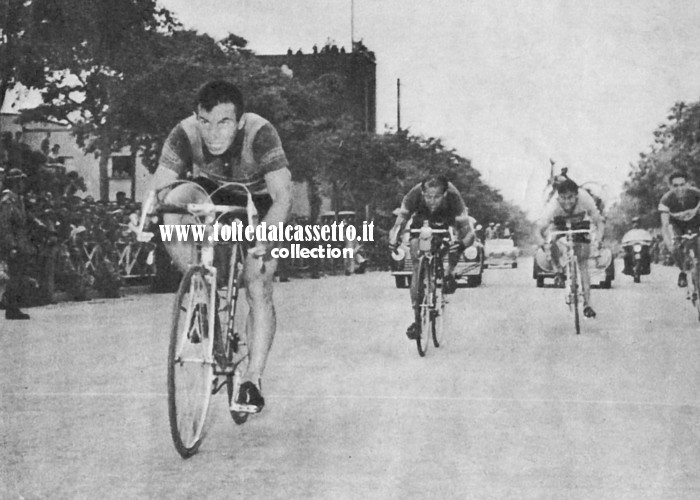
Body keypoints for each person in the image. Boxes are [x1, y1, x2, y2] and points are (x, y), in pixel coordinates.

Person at [144, 80, 292, 414]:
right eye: (205, 122)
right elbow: (161, 184)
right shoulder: (183, 132)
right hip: (209, 192)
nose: (212, 134)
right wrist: (149, 211)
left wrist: (265, 240)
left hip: (258, 201)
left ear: (239, 121)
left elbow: (283, 196)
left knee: (259, 283)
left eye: (223, 122)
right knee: (172, 200)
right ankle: (199, 288)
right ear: (196, 117)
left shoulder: (260, 133)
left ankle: (252, 380)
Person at [388, 176, 475, 340]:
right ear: (422, 193)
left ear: (444, 195)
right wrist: (394, 238)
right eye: (428, 197)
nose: (432, 201)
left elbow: (470, 234)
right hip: (421, 222)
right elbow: (399, 222)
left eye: (436, 197)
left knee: (454, 244)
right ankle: (417, 314)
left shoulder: (454, 199)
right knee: (415, 253)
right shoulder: (413, 196)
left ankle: (449, 273)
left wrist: (462, 244)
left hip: (446, 221)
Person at [536, 178, 605, 318]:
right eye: (563, 198)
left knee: (583, 263)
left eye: (570, 198)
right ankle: (557, 270)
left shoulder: (585, 199)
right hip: (560, 224)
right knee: (552, 242)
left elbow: (599, 222)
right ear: (558, 197)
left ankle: (587, 304)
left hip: (580, 224)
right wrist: (542, 243)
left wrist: (598, 239)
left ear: (577, 196)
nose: (567, 202)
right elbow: (538, 229)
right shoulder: (553, 205)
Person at [0, 169, 33, 319]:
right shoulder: (8, 199)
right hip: (14, 244)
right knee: (14, 276)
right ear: (15, 181)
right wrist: (12, 245)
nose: (23, 184)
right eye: (20, 181)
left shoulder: (18, 199)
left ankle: (14, 307)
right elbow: (5, 224)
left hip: (21, 242)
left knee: (19, 276)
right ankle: (11, 308)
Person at [658, 171, 700, 288]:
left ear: (687, 184)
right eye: (675, 186)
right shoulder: (666, 200)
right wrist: (669, 244)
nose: (680, 188)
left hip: (695, 223)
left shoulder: (696, 194)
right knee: (676, 248)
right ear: (670, 187)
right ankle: (683, 271)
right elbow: (665, 225)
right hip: (678, 227)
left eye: (682, 184)